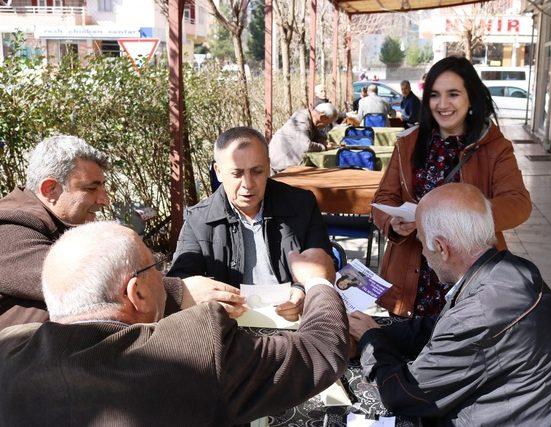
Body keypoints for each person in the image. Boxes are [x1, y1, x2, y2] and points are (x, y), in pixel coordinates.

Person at [0, 221, 349, 425]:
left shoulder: (8, 350)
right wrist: (318, 281)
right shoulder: (194, 346)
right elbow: (319, 352)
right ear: (136, 292)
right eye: (155, 268)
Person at [349, 183, 551, 425]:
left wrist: (372, 341)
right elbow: (441, 326)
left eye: (421, 242)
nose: (422, 252)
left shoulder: (480, 313)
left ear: (441, 247)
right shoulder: (510, 270)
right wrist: (378, 333)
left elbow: (405, 395)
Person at [0, 135, 244, 332]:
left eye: (103, 186)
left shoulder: (51, 222)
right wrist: (181, 292)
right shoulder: (7, 227)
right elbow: (80, 281)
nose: (104, 200)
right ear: (50, 188)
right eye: (91, 188)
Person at [372, 56, 531, 318]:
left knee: (462, 349)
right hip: (412, 274)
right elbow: (384, 198)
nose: (443, 104)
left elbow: (518, 204)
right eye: (435, 95)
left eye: (453, 94)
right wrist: (393, 222)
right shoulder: (408, 142)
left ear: (471, 98)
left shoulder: (494, 146)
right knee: (407, 349)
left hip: (470, 275)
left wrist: (461, 217)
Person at [169, 127, 331, 321]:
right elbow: (181, 282)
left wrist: (301, 291)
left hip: (293, 322)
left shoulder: (301, 204)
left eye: (257, 171)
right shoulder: (198, 219)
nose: (248, 184)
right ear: (218, 172)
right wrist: (211, 301)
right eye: (237, 174)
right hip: (229, 329)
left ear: (269, 167)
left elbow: (323, 262)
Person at [269, 103, 338, 172]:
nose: (327, 126)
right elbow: (306, 146)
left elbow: (318, 136)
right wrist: (324, 147)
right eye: (328, 123)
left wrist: (324, 142)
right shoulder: (300, 120)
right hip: (280, 163)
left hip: (290, 162)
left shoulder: (311, 119)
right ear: (322, 117)